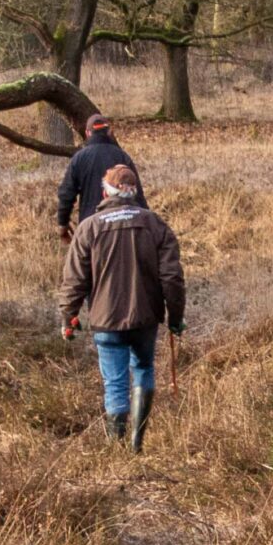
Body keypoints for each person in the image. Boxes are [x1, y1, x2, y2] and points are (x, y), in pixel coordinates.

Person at [61, 164, 185, 451]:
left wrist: (69, 316)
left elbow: (74, 280)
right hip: (146, 317)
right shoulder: (155, 224)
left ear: (105, 191)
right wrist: (175, 317)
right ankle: (136, 444)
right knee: (143, 369)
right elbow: (173, 279)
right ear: (135, 192)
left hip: (105, 319)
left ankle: (116, 449)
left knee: (115, 383)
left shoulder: (88, 228)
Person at [55, 114, 137, 236]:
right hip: (124, 225)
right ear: (109, 131)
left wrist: (63, 223)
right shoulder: (122, 157)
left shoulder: (79, 159)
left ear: (88, 133)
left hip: (91, 227)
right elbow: (137, 193)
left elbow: (66, 195)